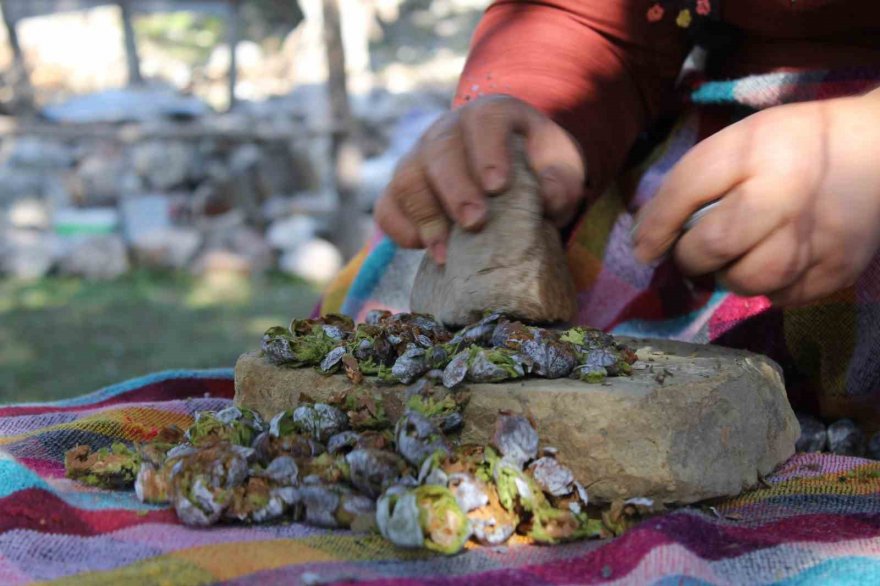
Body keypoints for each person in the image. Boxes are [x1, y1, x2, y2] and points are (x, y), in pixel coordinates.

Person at [321, 0, 880, 426]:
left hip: (849, 160)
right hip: (705, 137)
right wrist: (538, 103)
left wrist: (862, 143)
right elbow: (588, 17)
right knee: (405, 286)